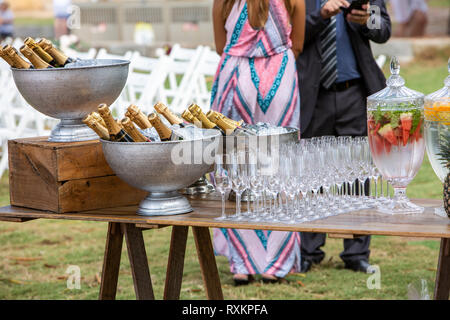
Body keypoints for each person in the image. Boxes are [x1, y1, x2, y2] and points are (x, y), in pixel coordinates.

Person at [211, 0, 305, 285]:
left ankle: (241, 261)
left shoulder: (223, 2)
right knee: (281, 165)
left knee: (235, 167)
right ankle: (276, 262)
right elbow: (297, 43)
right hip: (279, 72)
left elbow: (220, 45)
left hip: (234, 75)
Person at [296, 0, 391, 273]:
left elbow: (382, 30)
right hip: (313, 93)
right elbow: (290, 33)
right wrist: (321, 15)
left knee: (357, 174)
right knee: (312, 172)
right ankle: (309, 251)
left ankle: (356, 253)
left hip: (354, 92)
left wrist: (366, 20)